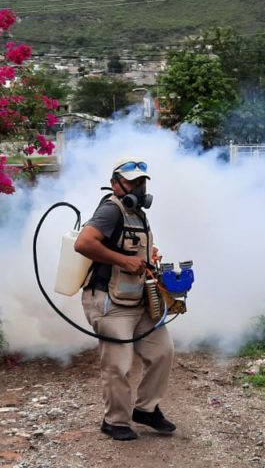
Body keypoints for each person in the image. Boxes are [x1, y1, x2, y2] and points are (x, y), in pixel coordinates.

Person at [74, 157, 176, 441]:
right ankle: (115, 421)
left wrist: (148, 257)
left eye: (142, 182)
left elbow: (133, 248)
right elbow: (83, 243)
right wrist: (123, 260)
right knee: (118, 364)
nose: (139, 187)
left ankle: (146, 409)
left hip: (138, 299)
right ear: (115, 184)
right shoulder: (111, 209)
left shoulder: (138, 214)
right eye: (133, 182)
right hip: (110, 301)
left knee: (162, 351)